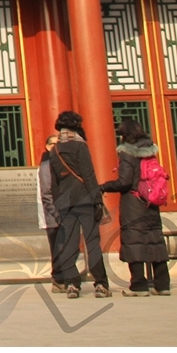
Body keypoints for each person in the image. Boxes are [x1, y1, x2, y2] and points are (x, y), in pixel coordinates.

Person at [100, 117, 170, 295]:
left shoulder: (126, 153)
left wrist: (104, 186)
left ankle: (139, 285)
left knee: (135, 241)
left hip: (133, 202)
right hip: (151, 201)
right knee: (155, 240)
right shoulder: (150, 151)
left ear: (124, 135)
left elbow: (124, 182)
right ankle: (162, 285)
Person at [50, 110, 111, 299]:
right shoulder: (80, 147)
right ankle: (100, 284)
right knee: (92, 242)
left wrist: (56, 205)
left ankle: (71, 284)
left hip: (65, 203)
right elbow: (88, 175)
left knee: (69, 243)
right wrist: (98, 201)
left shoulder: (54, 151)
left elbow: (53, 182)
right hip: (85, 199)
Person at [38, 134, 65, 292]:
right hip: (53, 214)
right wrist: (55, 212)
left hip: (62, 212)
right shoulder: (46, 165)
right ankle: (58, 278)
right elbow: (47, 193)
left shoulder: (60, 163)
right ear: (48, 146)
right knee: (57, 247)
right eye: (54, 144)